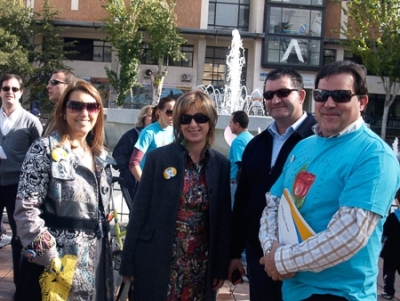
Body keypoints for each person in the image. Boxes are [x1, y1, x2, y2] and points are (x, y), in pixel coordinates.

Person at [259, 60, 400, 301]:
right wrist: (271, 248)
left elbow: (349, 236)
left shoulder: (374, 155)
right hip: (292, 289)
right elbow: (273, 204)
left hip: (341, 294)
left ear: (362, 102)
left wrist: (281, 260)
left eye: (342, 95)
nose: (329, 103)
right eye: (323, 95)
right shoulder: (303, 147)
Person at [120, 90, 231, 300]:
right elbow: (139, 211)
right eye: (185, 119)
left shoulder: (220, 165)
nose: (193, 124)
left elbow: (223, 220)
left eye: (200, 118)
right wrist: (128, 261)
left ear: (211, 122)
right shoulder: (157, 159)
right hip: (159, 258)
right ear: (178, 123)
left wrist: (220, 266)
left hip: (200, 262)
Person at [14, 80, 115, 301]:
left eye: (92, 106)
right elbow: (26, 211)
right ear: (63, 110)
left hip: (96, 261)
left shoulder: (100, 155)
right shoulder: (44, 149)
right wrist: (51, 258)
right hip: (57, 266)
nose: (84, 113)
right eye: (76, 106)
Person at [229, 68, 316, 300]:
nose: (275, 100)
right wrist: (234, 252)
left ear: (301, 95)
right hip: (261, 257)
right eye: (268, 95)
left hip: (306, 262)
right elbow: (242, 202)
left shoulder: (320, 140)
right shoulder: (256, 145)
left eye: (283, 92)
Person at [0, 74, 43, 285]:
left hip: (17, 186)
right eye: (6, 88)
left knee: (19, 238)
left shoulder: (31, 121)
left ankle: (20, 288)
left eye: (14, 89)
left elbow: (40, 153)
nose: (10, 92)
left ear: (21, 92)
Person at [112, 104, 154, 203]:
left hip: (151, 179)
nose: (153, 119)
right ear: (143, 117)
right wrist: (128, 170)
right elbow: (117, 154)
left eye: (155, 116)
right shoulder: (131, 135)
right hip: (132, 180)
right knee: (135, 211)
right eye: (150, 116)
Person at [129, 96, 175, 182]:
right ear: (159, 112)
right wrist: (145, 184)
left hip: (169, 183)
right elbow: (134, 162)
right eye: (169, 112)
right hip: (151, 183)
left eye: (176, 112)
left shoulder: (176, 131)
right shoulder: (148, 132)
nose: (173, 116)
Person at [228, 110, 253, 209]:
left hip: (236, 183)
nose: (229, 126)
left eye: (230, 123)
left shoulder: (238, 141)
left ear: (237, 124)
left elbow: (240, 164)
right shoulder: (251, 138)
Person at [380, 188, 400, 300]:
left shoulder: (393, 217)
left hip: (391, 252)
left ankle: (389, 291)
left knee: (389, 272)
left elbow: (385, 232)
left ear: (397, 201)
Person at [43, 69, 76, 135]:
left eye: (54, 82)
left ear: (69, 86)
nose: (48, 86)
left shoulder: (74, 113)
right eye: (49, 82)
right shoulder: (56, 112)